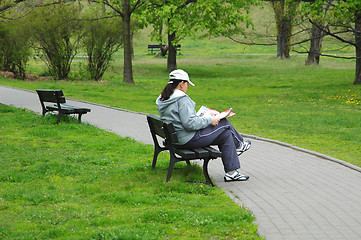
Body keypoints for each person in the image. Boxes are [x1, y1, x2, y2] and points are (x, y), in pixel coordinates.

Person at [156, 69, 251, 182]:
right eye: (187, 84)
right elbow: (190, 124)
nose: (187, 87)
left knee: (225, 135)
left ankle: (232, 172)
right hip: (187, 139)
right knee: (224, 123)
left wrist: (203, 117)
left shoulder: (164, 98)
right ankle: (240, 145)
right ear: (181, 84)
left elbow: (183, 119)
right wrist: (210, 119)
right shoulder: (182, 99)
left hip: (176, 138)